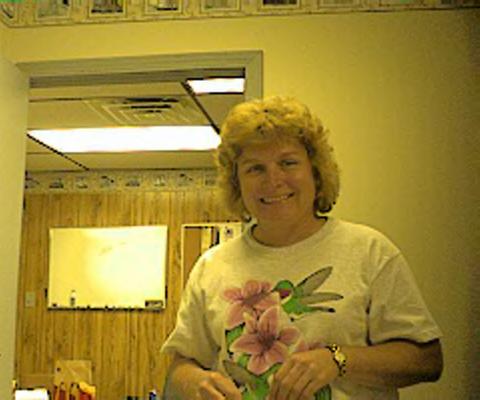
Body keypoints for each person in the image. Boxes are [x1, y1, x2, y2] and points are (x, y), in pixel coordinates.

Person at [161, 96, 443, 400]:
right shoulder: (212, 266)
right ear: (237, 183)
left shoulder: (370, 252)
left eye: (288, 163)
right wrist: (196, 383)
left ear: (316, 172)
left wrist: (337, 359)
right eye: (255, 168)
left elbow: (426, 361)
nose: (273, 180)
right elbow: (179, 369)